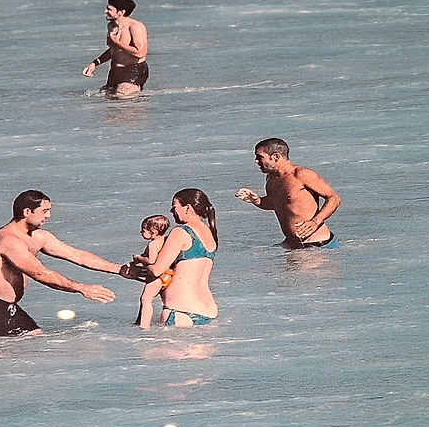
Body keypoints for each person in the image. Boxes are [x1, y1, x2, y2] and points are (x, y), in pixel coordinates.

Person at [0, 190, 137, 339]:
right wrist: (82, 288)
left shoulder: (39, 237)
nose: (49, 216)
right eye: (44, 211)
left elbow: (78, 256)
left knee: (37, 340)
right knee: (0, 360)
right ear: (27, 212)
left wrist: (120, 270)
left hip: (8, 307)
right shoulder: (7, 240)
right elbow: (40, 273)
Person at [236, 138, 342, 249]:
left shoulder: (301, 174)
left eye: (259, 157)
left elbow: (334, 198)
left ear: (276, 157)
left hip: (318, 244)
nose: (256, 161)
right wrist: (257, 200)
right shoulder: (271, 179)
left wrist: (315, 222)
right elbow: (278, 203)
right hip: (293, 244)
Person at [144, 189, 218, 327]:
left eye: (174, 208)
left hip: (181, 311)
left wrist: (139, 262)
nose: (172, 212)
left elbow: (156, 270)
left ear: (188, 208)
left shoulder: (181, 232)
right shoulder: (209, 233)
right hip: (208, 311)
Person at [81, 0, 149, 97]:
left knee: (122, 95)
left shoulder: (135, 27)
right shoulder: (111, 26)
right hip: (115, 71)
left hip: (134, 70)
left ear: (121, 12)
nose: (105, 11)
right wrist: (95, 63)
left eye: (109, 9)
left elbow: (140, 53)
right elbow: (114, 50)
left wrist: (116, 42)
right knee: (105, 96)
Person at [131, 215, 172, 329]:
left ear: (153, 232)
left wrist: (139, 258)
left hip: (157, 277)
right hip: (167, 275)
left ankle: (144, 326)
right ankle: (140, 321)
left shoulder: (153, 244)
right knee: (163, 301)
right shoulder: (165, 241)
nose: (141, 232)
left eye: (143, 230)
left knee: (145, 299)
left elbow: (151, 260)